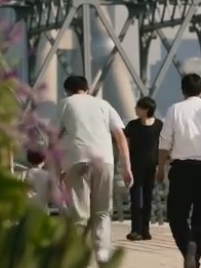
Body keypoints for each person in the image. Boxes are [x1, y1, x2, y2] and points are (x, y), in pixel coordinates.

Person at [54, 75, 133, 266]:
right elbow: (120, 136)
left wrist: (56, 169)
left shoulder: (65, 104)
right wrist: (127, 167)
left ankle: (78, 257)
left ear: (67, 91)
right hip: (104, 161)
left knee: (80, 214)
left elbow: (52, 138)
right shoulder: (104, 105)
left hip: (77, 161)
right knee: (103, 212)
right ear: (87, 89)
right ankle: (102, 257)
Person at [158, 73, 201, 268]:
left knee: (176, 214)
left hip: (182, 168)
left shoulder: (174, 110)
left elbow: (165, 142)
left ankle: (188, 245)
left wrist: (160, 168)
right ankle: (195, 258)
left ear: (183, 91)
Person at [124, 96, 163, 241]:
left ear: (146, 110)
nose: (135, 109)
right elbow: (126, 145)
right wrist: (125, 164)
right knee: (135, 198)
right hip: (135, 165)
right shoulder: (132, 125)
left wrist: (162, 164)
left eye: (138, 107)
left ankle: (145, 230)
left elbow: (163, 144)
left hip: (152, 166)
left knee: (148, 197)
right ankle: (135, 229)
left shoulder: (159, 125)